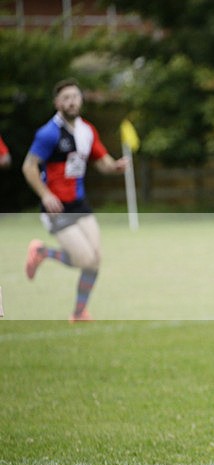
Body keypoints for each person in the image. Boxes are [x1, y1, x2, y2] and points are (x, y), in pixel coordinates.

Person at [22, 78, 128, 322]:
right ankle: (42, 252)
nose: (71, 102)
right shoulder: (48, 133)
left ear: (81, 100)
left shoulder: (87, 130)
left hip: (79, 204)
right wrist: (46, 194)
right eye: (66, 98)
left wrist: (115, 166)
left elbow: (102, 161)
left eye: (75, 97)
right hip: (56, 207)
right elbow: (29, 167)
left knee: (95, 260)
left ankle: (79, 312)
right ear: (57, 103)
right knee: (84, 259)